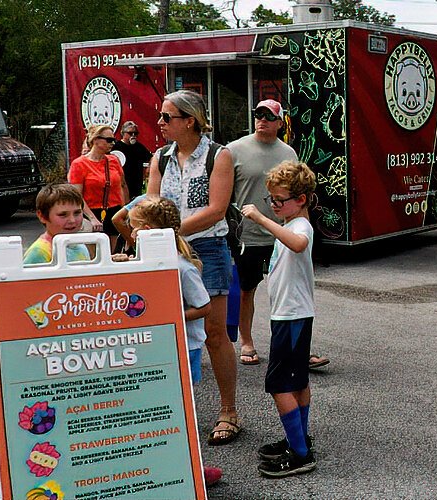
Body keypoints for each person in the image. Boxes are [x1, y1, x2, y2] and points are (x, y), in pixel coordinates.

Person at [147, 90, 243, 446]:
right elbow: (151, 205)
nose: (159, 123)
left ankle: (228, 411)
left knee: (215, 333)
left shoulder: (219, 155)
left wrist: (170, 231)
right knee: (168, 327)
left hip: (208, 248)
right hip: (168, 250)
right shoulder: (160, 157)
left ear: (190, 120)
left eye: (166, 117)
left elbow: (217, 209)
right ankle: (174, 409)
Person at [112, 196, 224, 486]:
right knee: (160, 409)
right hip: (160, 347)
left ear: (147, 230)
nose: (131, 235)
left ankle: (193, 467)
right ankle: (165, 465)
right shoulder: (147, 262)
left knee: (181, 408)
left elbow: (205, 306)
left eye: (134, 229)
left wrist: (171, 316)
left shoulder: (181, 266)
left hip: (186, 348)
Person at [239, 161, 318, 478]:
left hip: (293, 316)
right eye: (269, 200)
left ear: (300, 199)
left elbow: (299, 243)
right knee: (296, 380)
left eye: (279, 200)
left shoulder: (300, 227)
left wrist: (259, 218)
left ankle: (300, 454)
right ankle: (298, 441)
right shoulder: (291, 222)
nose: (273, 206)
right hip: (290, 314)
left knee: (279, 384)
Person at [227, 99, 315, 367]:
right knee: (246, 290)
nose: (261, 119)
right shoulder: (234, 150)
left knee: (292, 288)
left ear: (280, 122)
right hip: (249, 234)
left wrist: (303, 226)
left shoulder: (288, 152)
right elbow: (223, 194)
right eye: (257, 114)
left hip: (283, 233)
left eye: (268, 116)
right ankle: (247, 342)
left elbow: (301, 195)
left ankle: (299, 347)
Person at [71, 124, 128, 247]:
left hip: (114, 211)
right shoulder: (79, 164)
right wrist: (92, 218)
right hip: (91, 212)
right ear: (96, 140)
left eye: (114, 140)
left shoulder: (113, 160)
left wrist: (125, 210)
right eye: (109, 140)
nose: (112, 143)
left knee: (113, 252)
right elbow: (77, 196)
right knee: (94, 253)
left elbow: (122, 186)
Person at [23, 184, 93, 265]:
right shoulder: (40, 252)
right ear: (42, 216)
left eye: (77, 213)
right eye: (63, 215)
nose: (72, 220)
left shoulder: (79, 244)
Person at [113, 120, 152, 198]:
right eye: (130, 133)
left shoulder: (139, 147)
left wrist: (149, 167)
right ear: (123, 133)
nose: (133, 135)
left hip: (136, 185)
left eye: (136, 133)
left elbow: (151, 157)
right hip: (121, 185)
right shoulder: (116, 147)